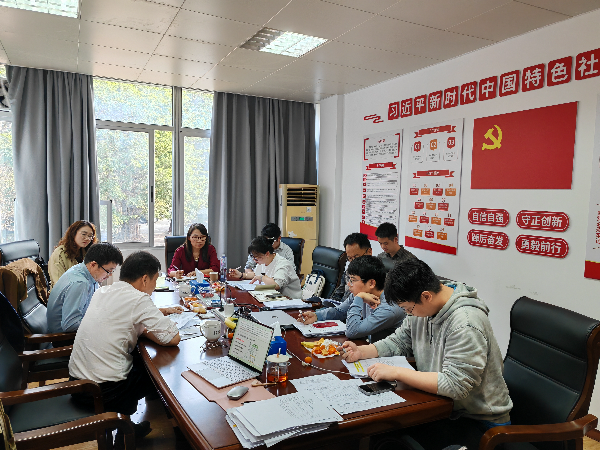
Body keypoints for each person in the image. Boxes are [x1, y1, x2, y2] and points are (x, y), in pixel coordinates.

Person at [341, 259, 512, 449]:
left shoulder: (465, 323)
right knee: (384, 432)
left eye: (408, 309)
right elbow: (399, 341)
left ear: (426, 296)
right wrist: (362, 351)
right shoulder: (421, 306)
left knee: (394, 439)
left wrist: (397, 372)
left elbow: (455, 386)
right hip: (441, 406)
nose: (408, 314)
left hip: (477, 420)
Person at [69, 251, 182, 441]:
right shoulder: (138, 299)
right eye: (155, 280)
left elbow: (126, 320)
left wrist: (147, 325)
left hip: (78, 384)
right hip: (106, 391)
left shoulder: (104, 291)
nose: (154, 286)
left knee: (138, 355)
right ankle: (129, 432)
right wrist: (149, 330)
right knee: (160, 373)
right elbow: (173, 338)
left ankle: (127, 426)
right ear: (145, 279)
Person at [298, 256, 404, 341]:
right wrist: (316, 316)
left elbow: (352, 331)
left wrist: (359, 298)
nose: (349, 284)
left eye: (353, 280)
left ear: (371, 283)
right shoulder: (362, 293)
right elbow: (340, 311)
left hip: (386, 357)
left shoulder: (389, 308)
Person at [46, 243, 123, 334]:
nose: (109, 275)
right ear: (93, 265)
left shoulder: (85, 272)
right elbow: (70, 325)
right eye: (109, 271)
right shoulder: (80, 284)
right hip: (64, 338)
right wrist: (101, 324)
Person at [232, 236, 302, 299]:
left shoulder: (283, 264)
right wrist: (241, 275)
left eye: (256, 258)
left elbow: (276, 285)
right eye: (253, 257)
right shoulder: (263, 261)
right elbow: (256, 275)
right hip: (273, 297)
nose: (254, 260)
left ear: (267, 254)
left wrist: (262, 277)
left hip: (290, 300)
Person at [48, 220, 98, 286]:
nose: (87, 238)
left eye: (90, 236)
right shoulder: (59, 254)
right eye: (84, 234)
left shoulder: (86, 253)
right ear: (73, 233)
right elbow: (59, 284)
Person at [328, 232, 372, 305]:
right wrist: (330, 304)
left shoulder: (375, 274)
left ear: (369, 252)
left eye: (356, 257)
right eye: (350, 258)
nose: (353, 262)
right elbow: (338, 294)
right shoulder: (349, 270)